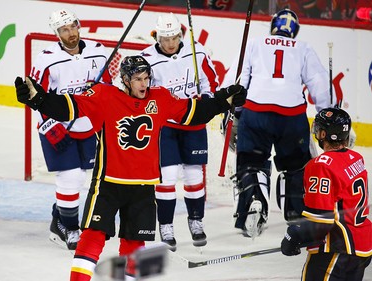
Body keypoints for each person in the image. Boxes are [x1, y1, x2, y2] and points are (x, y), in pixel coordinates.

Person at [15, 55, 246, 281]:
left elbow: (193, 113)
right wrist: (39, 99)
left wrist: (221, 102)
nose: (144, 83)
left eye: (146, 77)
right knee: (92, 236)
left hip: (144, 187)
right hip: (108, 184)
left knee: (135, 245)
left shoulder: (161, 99)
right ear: (125, 80)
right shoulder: (104, 96)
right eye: (138, 78)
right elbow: (69, 107)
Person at [221, 8, 331, 238]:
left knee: (251, 162)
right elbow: (320, 86)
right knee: (296, 166)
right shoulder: (304, 48)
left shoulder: (255, 42)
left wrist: (232, 113)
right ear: (294, 31)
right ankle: (295, 212)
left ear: (273, 26)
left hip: (256, 112)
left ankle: (253, 201)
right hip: (291, 117)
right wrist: (326, 118)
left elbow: (235, 81)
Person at [29, 9, 111, 250]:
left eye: (73, 27)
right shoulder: (46, 59)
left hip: (88, 125)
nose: (71, 33)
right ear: (57, 33)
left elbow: (106, 86)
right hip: (59, 126)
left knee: (80, 179)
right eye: (64, 29)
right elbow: (36, 96)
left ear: (78, 25)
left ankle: (59, 220)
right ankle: (71, 228)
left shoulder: (98, 50)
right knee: (71, 177)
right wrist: (51, 126)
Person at [140, 12, 219, 251]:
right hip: (165, 127)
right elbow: (142, 90)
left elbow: (210, 82)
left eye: (174, 37)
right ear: (156, 37)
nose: (171, 42)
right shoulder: (147, 59)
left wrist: (206, 101)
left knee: (195, 175)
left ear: (180, 34)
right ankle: (166, 226)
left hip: (193, 123)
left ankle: (196, 221)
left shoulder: (197, 51)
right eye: (165, 38)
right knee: (167, 177)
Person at [280, 107, 372, 281]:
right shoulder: (356, 158)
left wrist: (294, 235)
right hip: (361, 247)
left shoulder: (320, 165)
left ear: (323, 134)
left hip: (337, 248)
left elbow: (321, 222)